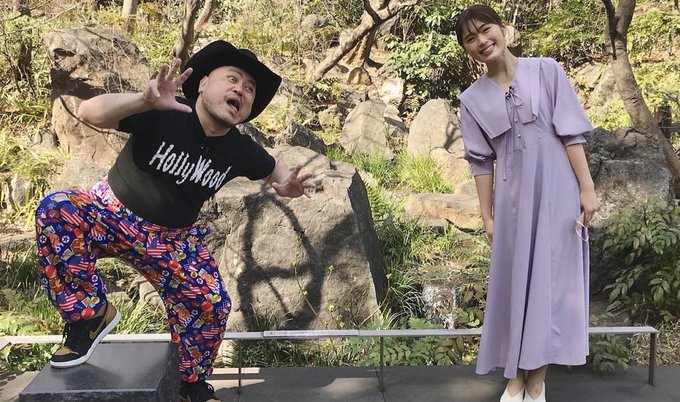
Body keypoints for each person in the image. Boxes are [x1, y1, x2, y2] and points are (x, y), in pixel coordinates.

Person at [34, 40, 315, 402]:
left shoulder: (240, 149)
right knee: (57, 208)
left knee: (211, 302)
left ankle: (188, 383)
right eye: (232, 79)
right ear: (203, 83)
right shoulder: (165, 110)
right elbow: (89, 111)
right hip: (110, 213)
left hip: (172, 240)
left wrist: (287, 185)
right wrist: (142, 101)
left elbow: (274, 169)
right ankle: (89, 315)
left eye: (249, 89)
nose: (240, 90)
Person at [454, 5, 598, 402]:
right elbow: (480, 163)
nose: (482, 41)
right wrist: (487, 215)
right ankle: (515, 376)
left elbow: (571, 134)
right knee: (515, 284)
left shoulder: (546, 70)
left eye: (486, 30)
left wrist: (587, 188)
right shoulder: (471, 99)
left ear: (503, 28)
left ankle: (535, 381)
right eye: (470, 39)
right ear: (467, 49)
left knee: (553, 284)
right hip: (514, 203)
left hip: (559, 192)